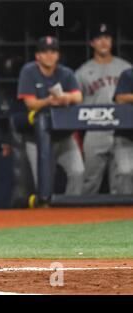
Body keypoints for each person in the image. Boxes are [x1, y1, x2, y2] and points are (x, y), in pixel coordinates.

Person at [17, 36, 84, 195]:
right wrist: (48, 101)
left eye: (53, 52)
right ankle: (45, 216)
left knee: (78, 172)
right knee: (43, 184)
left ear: (58, 55)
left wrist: (66, 97)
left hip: (63, 136)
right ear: (37, 56)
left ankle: (72, 212)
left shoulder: (66, 73)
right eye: (44, 52)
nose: (49, 56)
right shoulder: (29, 71)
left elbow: (78, 97)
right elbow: (30, 103)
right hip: (38, 138)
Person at [75, 23, 133, 195]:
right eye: (99, 39)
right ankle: (80, 219)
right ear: (92, 43)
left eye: (107, 38)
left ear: (112, 41)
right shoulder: (83, 72)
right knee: (89, 180)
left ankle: (122, 220)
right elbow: (75, 105)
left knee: (123, 179)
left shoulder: (125, 68)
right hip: (95, 128)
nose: (103, 42)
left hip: (122, 130)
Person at [111, 67, 133, 194]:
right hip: (126, 135)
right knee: (125, 172)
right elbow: (120, 98)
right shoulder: (128, 74)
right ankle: (125, 208)